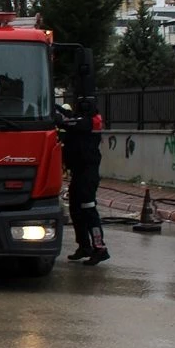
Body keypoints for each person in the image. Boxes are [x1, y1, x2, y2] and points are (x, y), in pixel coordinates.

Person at [56, 99, 110, 265]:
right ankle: (84, 246)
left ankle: (100, 248)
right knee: (75, 209)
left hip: (87, 175)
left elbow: (68, 122)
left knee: (88, 210)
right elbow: (70, 118)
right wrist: (55, 106)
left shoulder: (91, 122)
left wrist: (54, 115)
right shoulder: (81, 121)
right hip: (78, 173)